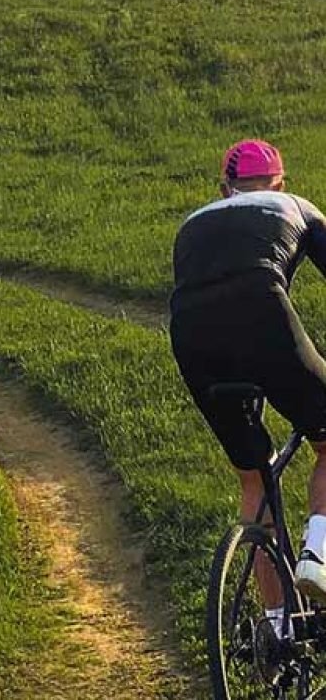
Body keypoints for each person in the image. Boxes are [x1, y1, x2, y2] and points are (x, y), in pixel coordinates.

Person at [170, 138, 326, 624]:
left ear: (225, 188)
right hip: (260, 311)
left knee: (254, 480)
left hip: (191, 335)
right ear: (281, 183)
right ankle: (318, 556)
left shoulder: (193, 222)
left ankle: (277, 629)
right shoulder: (295, 207)